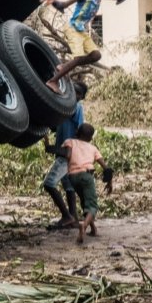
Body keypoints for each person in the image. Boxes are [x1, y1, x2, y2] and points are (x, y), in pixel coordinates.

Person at [40, 0, 144, 94]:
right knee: (78, 58)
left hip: (81, 30)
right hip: (72, 28)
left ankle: (64, 66)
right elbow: (64, 5)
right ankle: (53, 81)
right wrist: (54, 2)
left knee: (96, 55)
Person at [42, 81, 89, 229]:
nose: (73, 94)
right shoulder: (63, 109)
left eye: (77, 92)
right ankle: (73, 217)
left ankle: (66, 216)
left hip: (68, 154)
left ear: (81, 97)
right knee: (68, 186)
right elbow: (56, 127)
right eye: (72, 90)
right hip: (63, 152)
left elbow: (81, 130)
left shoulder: (76, 108)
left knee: (49, 184)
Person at [62, 123, 113, 244]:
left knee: (85, 202)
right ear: (90, 138)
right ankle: (83, 226)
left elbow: (67, 155)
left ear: (77, 133)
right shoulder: (93, 148)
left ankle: (93, 229)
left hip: (72, 178)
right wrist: (109, 182)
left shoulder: (70, 141)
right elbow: (106, 168)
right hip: (86, 176)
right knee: (92, 205)